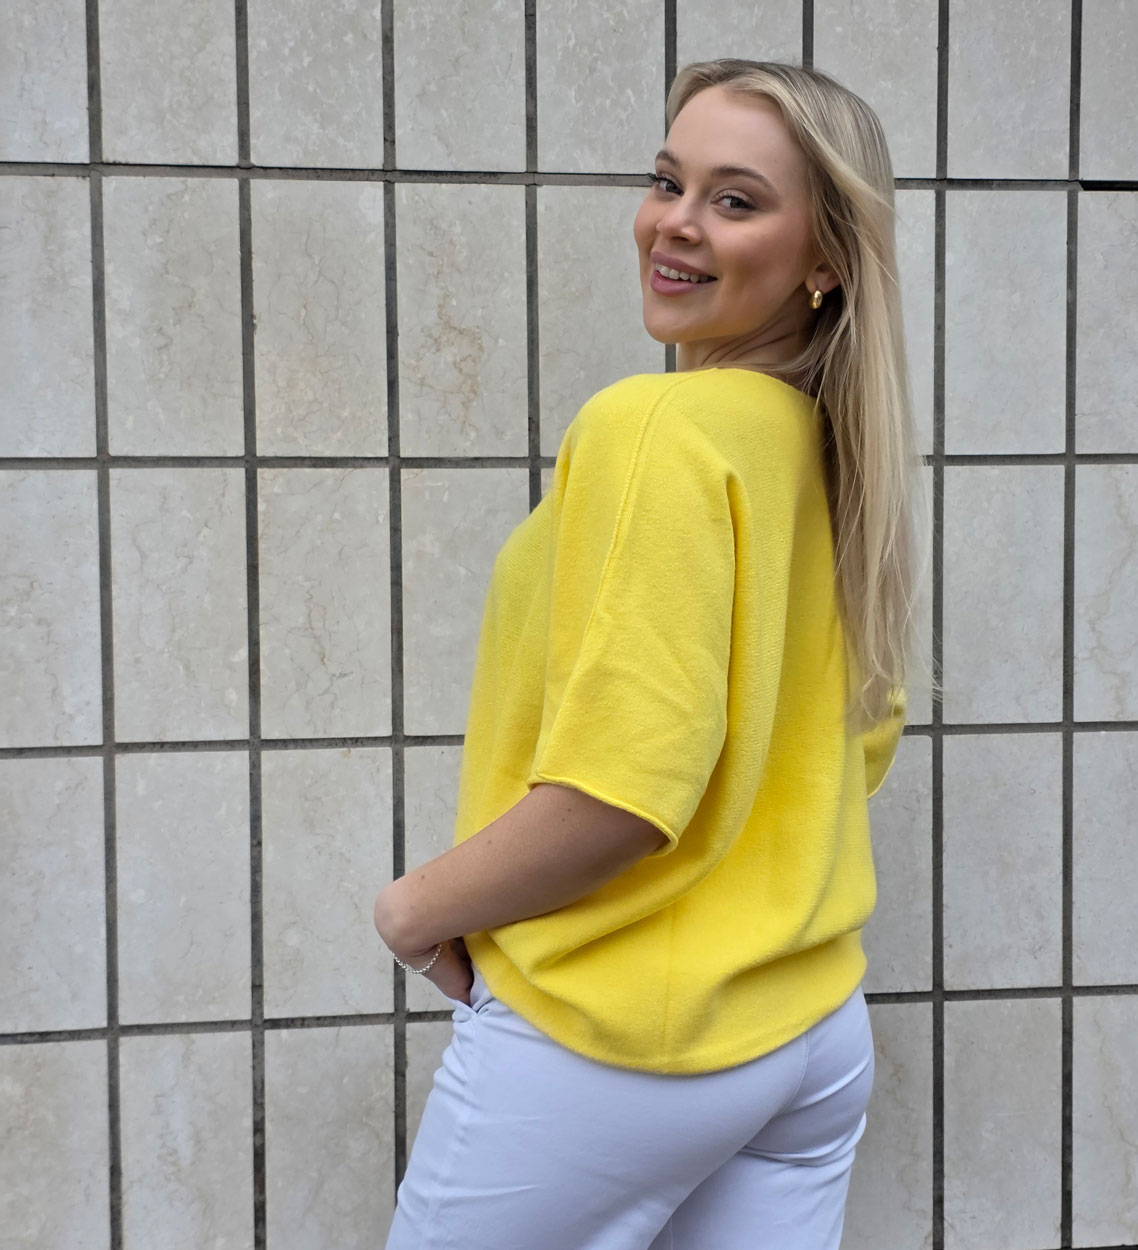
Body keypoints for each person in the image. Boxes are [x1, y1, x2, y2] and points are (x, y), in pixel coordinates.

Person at [374, 57, 930, 1250]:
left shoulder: (657, 427)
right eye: (667, 181)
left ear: (824, 259)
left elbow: (622, 793)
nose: (676, 222)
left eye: (735, 200)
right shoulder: (828, 452)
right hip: (807, 1034)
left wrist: (414, 908)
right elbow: (854, 751)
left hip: (621, 1037)